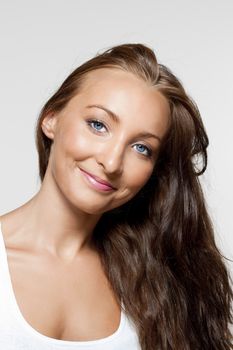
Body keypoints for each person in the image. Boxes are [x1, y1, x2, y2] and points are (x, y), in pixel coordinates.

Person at [0, 43, 232, 350]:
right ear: (51, 119)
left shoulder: (158, 280)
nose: (111, 163)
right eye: (98, 125)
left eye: (141, 148)